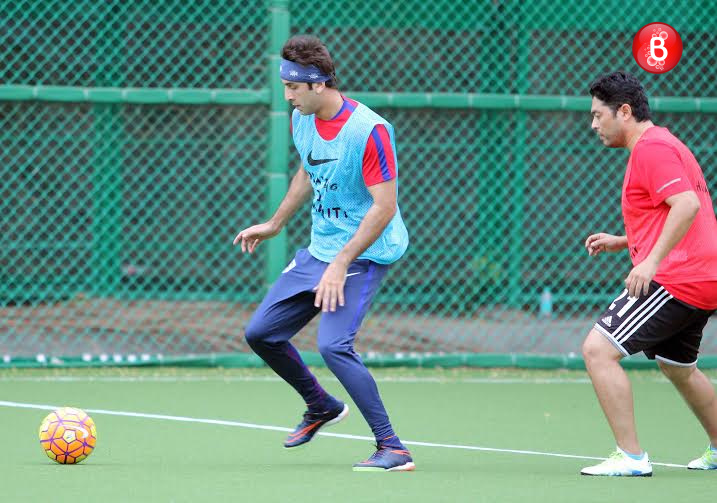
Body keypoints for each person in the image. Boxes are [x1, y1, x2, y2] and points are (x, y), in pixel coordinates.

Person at [233, 35, 414, 472]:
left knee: (334, 345)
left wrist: (341, 263)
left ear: (318, 84)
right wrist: (276, 222)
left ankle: (393, 448)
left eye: (293, 86)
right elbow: (308, 170)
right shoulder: (303, 119)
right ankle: (321, 406)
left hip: (367, 251)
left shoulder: (370, 131)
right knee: (261, 333)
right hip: (323, 247)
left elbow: (384, 207)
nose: (288, 95)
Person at [580, 71, 717, 476]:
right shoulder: (665, 143)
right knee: (679, 367)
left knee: (597, 350)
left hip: (679, 278)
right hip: (704, 276)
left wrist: (650, 262)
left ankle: (632, 457)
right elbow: (668, 211)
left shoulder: (651, 150)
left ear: (624, 111)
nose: (593, 125)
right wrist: (624, 241)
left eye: (597, 115)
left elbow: (687, 205)